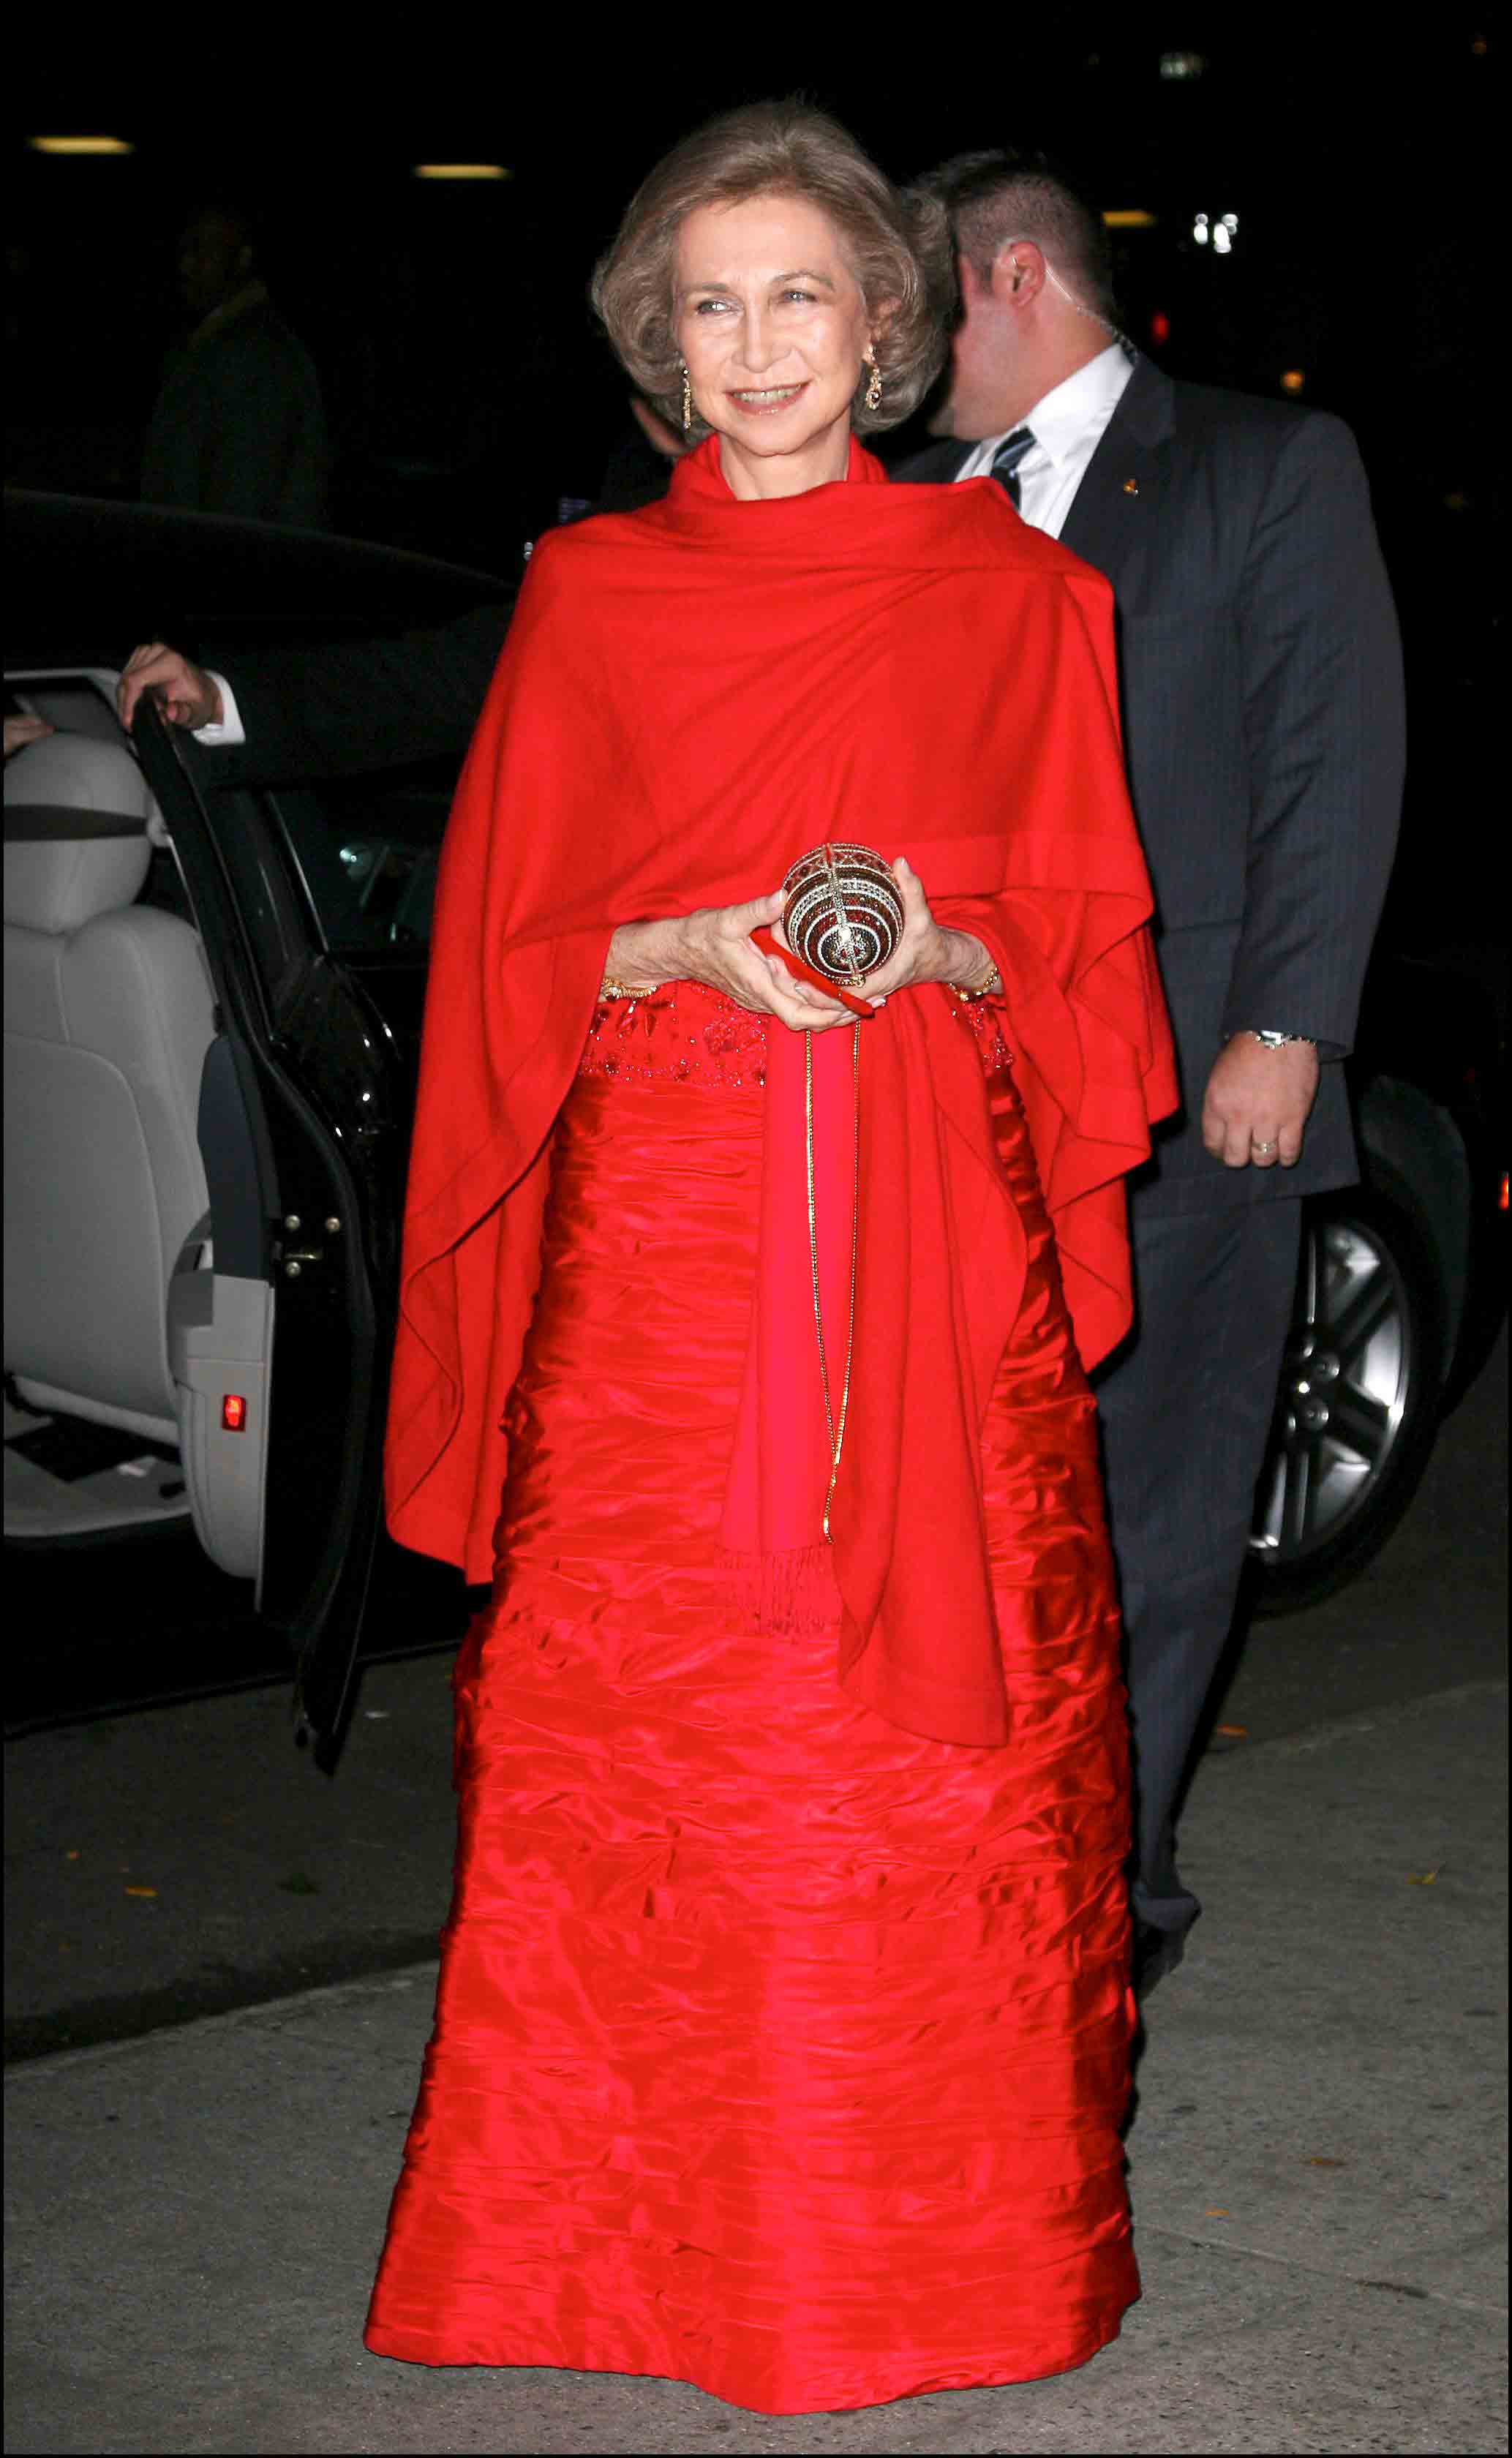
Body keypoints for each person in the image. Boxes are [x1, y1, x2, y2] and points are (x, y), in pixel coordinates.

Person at [347, 99, 1177, 2416]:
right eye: (707, 305)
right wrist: (687, 942)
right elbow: (508, 947)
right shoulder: (590, 597)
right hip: (664, 1257)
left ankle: (935, 2259)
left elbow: (1086, 966)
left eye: (797, 294)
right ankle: (604, 2251)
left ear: (886, 318)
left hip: (932, 1238)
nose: (756, 343)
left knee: (923, 1758)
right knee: (652, 1738)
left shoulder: (1013, 596)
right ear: (658, 336)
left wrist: (936, 941)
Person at [895, 149, 1404, 1996]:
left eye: (910, 300)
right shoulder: (917, 500)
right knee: (969, 1511)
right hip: (952, 1091)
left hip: (1191, 1092)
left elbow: (1329, 755)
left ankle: (1115, 1893)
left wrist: (1286, 1028)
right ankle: (971, 1850)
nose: (884, 349)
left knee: (1157, 1515)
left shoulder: (1262, 466)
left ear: (1011, 275)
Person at [140, 203, 330, 530]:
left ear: (243, 258)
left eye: (202, 251)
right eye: (184, 251)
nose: (186, 265)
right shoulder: (211, 345)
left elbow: (244, 499)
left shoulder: (255, 356)